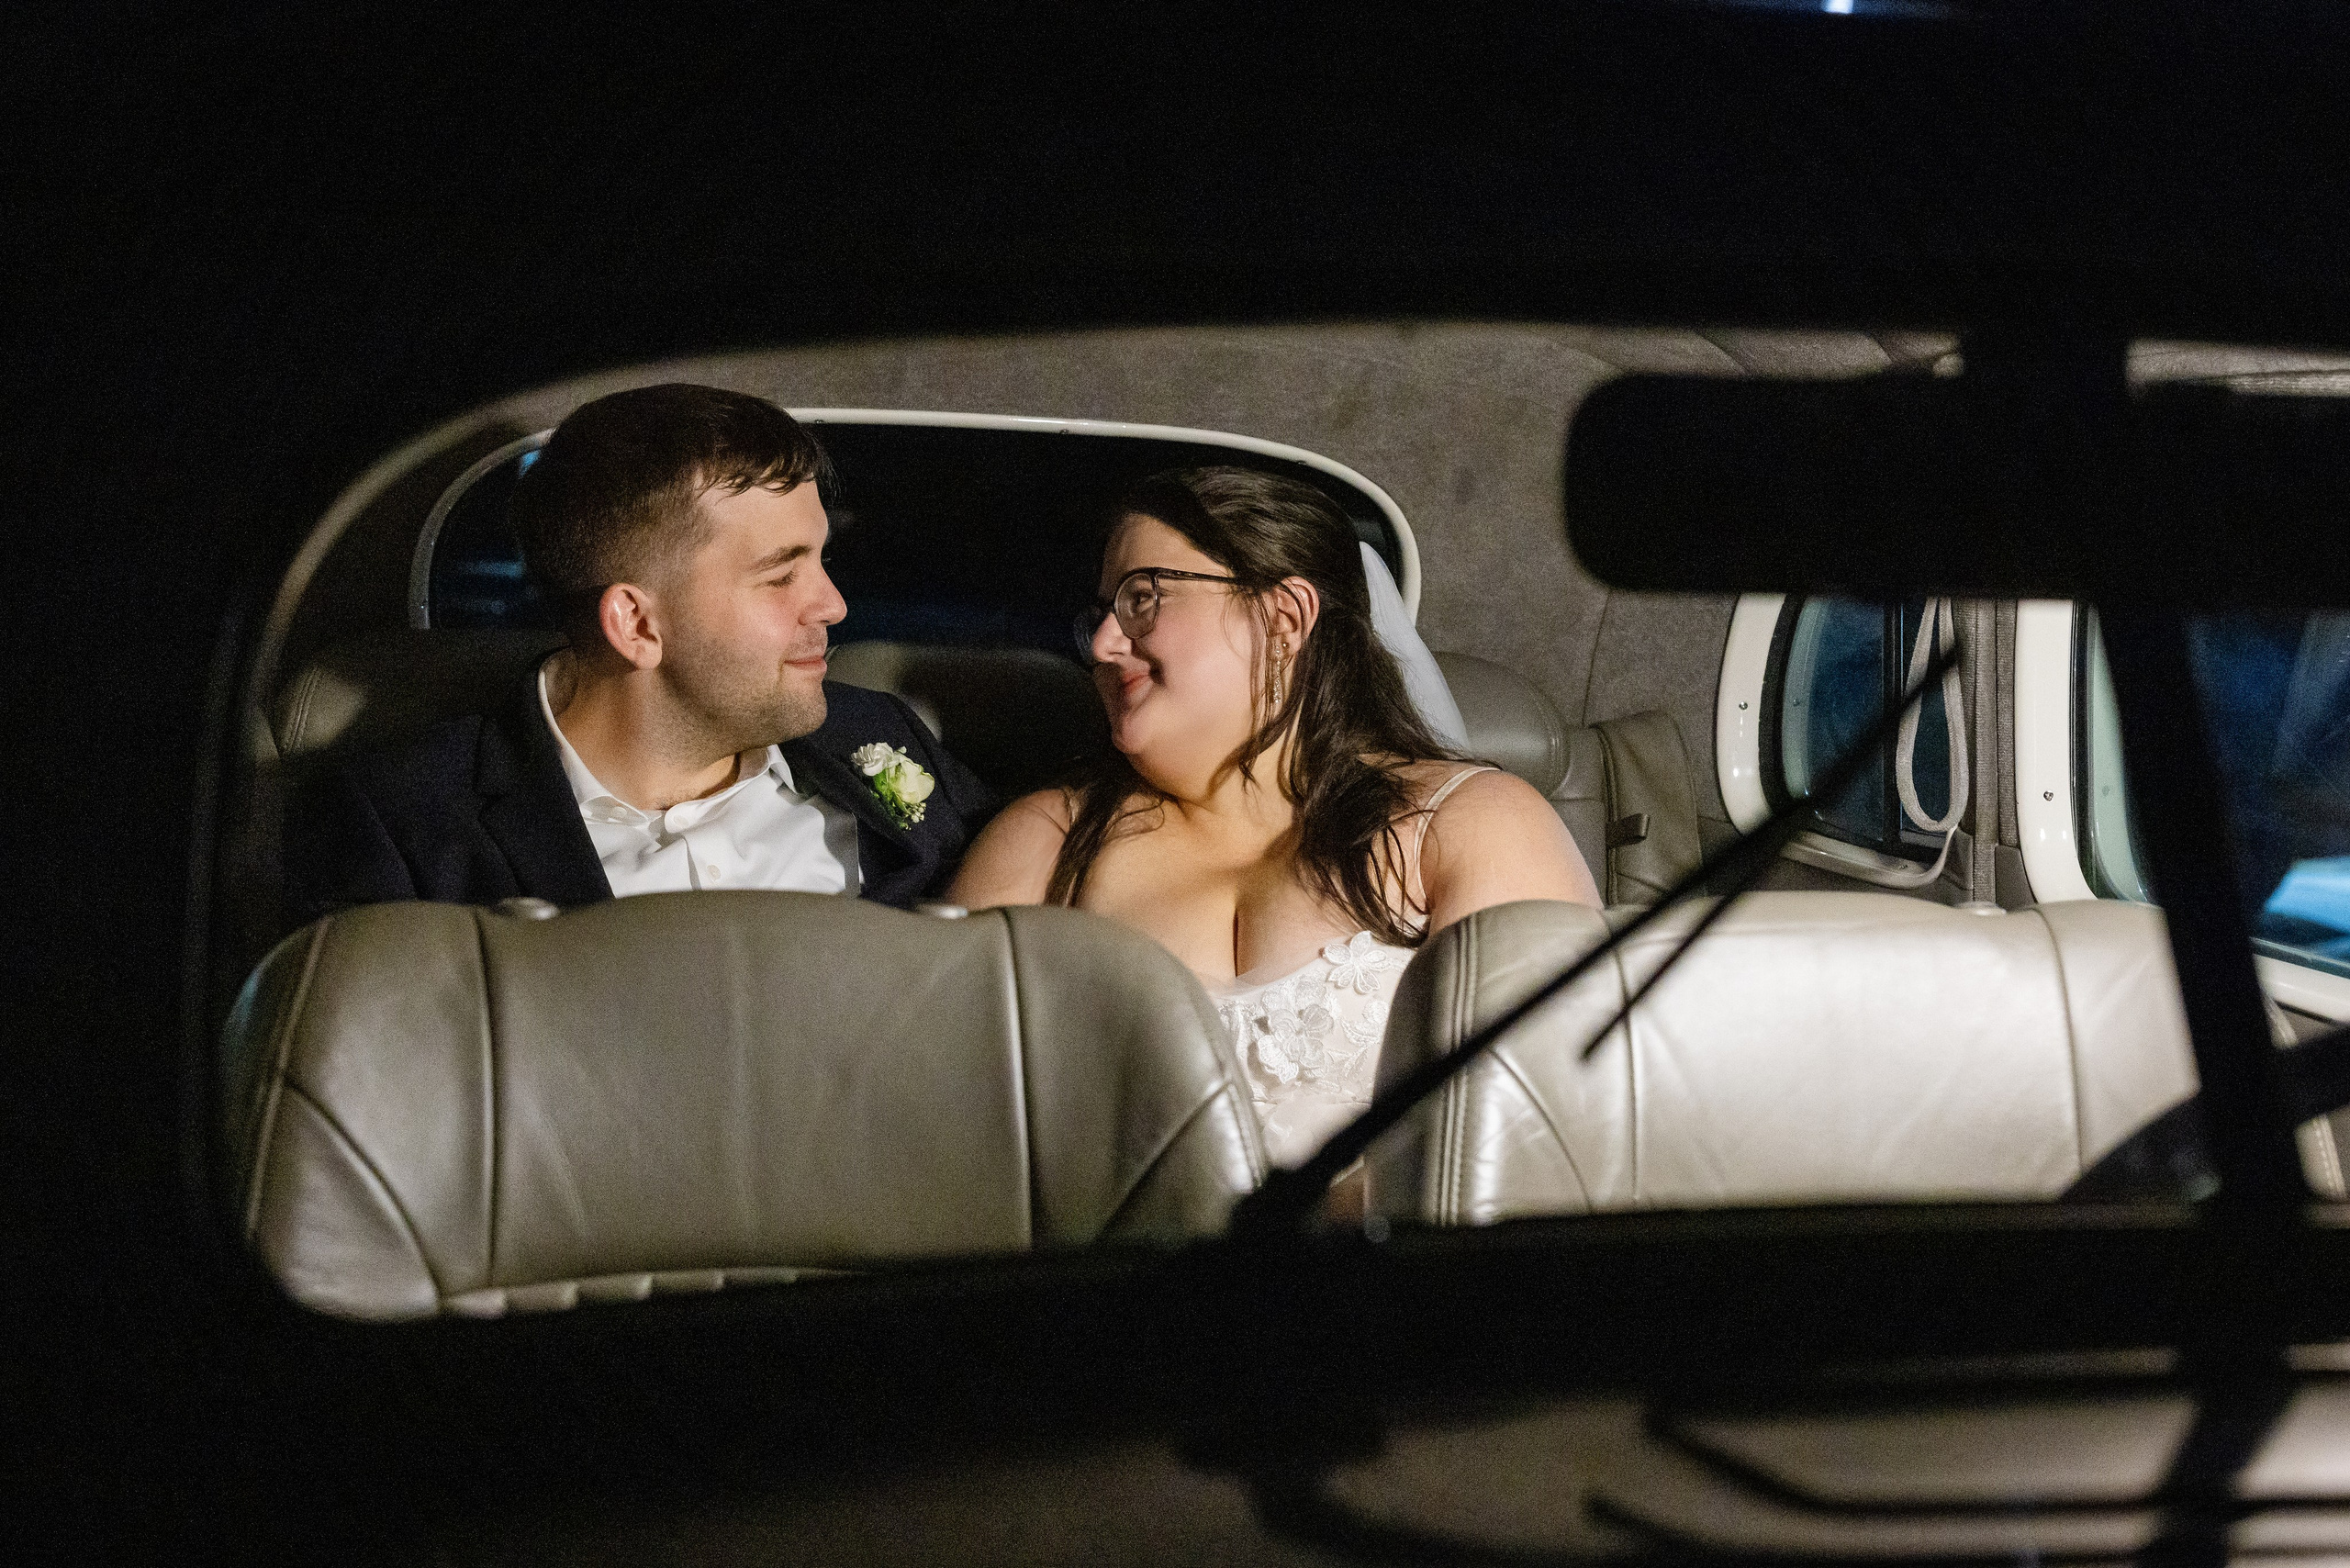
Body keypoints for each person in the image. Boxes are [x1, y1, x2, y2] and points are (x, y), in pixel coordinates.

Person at [949, 466, 1599, 1175]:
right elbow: (941, 1123)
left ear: (1283, 618)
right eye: (1101, 614)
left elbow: (1542, 1148)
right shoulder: (1044, 843)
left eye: (1142, 598)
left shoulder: (1469, 826)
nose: (1104, 644)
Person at [287, 384, 995, 928]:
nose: (833, 606)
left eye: (821, 561)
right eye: (781, 576)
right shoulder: (407, 827)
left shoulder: (881, 737)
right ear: (635, 622)